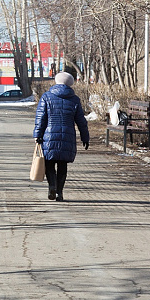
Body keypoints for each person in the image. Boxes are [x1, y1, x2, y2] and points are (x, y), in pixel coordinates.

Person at [33, 71, 90, 202]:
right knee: (63, 165)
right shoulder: (74, 99)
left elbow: (40, 118)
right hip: (67, 135)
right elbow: (81, 121)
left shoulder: (46, 97)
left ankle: (52, 186)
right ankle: (59, 192)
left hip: (49, 135)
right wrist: (85, 137)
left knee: (49, 163)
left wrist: (38, 135)